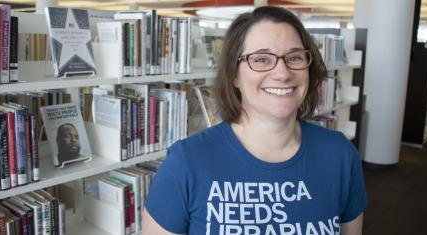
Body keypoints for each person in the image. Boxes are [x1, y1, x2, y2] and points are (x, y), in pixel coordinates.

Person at [142, 6, 367, 235]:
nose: (282, 73)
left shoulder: (340, 155)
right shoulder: (186, 162)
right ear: (233, 75)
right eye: (261, 59)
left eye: (295, 57)